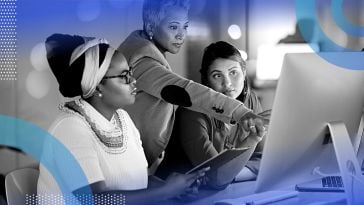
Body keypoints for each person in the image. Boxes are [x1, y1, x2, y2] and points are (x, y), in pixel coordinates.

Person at [36, 33, 207, 205]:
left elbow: (139, 183)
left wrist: (174, 188)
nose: (134, 81)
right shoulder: (70, 127)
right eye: (124, 76)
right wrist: (166, 191)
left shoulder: (122, 119)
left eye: (131, 72)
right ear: (97, 86)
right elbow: (95, 199)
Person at [117, 0, 266, 171]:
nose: (181, 35)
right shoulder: (142, 60)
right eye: (173, 27)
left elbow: (263, 160)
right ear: (151, 28)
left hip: (141, 164)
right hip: (127, 163)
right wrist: (239, 112)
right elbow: (185, 90)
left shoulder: (146, 52)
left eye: (185, 27)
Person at [157, 41, 269, 188]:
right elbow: (215, 176)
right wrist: (252, 140)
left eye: (233, 72)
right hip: (177, 196)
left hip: (226, 192)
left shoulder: (251, 101)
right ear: (206, 81)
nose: (227, 83)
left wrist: (231, 176)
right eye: (217, 76)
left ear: (244, 73)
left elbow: (265, 160)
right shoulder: (192, 111)